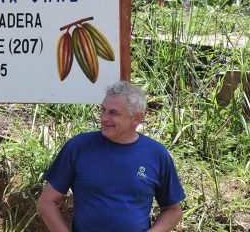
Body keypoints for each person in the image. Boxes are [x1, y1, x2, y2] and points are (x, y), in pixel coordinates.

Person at [37, 81, 185, 232]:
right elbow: (46, 202)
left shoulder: (156, 154)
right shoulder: (79, 147)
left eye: (113, 113)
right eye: (103, 110)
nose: (103, 118)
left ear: (137, 118)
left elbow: (173, 211)